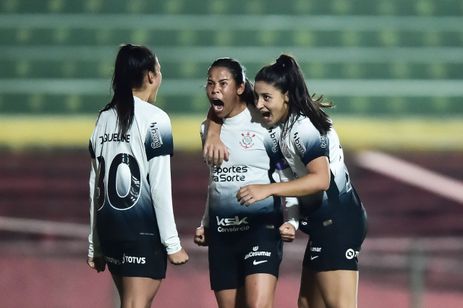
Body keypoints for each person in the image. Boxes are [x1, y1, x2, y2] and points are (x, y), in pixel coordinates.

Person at [234, 54, 368, 308]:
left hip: (338, 223)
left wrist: (266, 190)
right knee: (307, 303)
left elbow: (320, 179)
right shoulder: (280, 130)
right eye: (257, 97)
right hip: (322, 224)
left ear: (286, 95)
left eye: (266, 97)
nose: (259, 104)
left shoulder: (303, 128)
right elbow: (293, 180)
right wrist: (293, 221)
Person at [87, 43, 189, 308]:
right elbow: (159, 185)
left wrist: (94, 245)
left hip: (111, 228)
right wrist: (172, 243)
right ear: (151, 76)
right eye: (160, 70)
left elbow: (94, 186)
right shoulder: (155, 119)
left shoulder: (104, 118)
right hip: (140, 231)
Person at [194, 57, 299, 308]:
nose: (215, 89)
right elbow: (215, 180)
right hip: (223, 234)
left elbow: (287, 175)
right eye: (210, 83)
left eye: (223, 83)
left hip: (260, 230)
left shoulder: (264, 124)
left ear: (240, 88)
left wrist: (292, 220)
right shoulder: (206, 131)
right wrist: (206, 223)